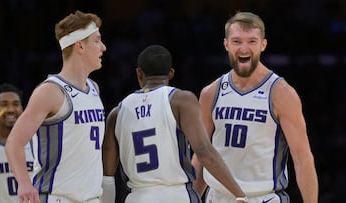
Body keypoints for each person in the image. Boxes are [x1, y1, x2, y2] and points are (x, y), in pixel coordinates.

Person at [191, 11, 318, 203]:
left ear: (263, 45)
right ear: (226, 45)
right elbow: (201, 155)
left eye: (251, 41)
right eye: (237, 41)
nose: (244, 48)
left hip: (263, 197)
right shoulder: (211, 93)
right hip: (217, 197)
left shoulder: (281, 93)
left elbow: (302, 159)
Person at [102, 44, 248, 203]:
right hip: (177, 195)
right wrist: (238, 192)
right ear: (171, 73)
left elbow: (107, 178)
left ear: (139, 73)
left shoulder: (117, 113)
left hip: (137, 196)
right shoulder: (181, 100)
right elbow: (204, 151)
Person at [4, 10, 107, 203]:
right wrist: (24, 183)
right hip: (57, 197)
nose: (103, 47)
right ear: (80, 46)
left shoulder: (94, 88)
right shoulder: (50, 91)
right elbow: (14, 142)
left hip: (91, 198)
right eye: (97, 41)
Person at [0, 83, 34, 203]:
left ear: (22, 109)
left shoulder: (35, 141)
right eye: (4, 105)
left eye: (16, 104)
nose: (11, 109)